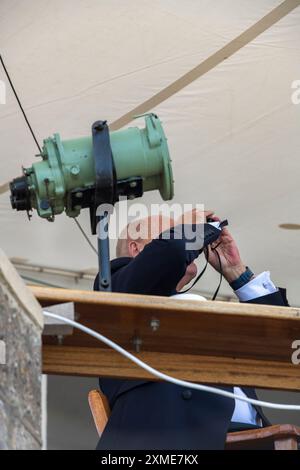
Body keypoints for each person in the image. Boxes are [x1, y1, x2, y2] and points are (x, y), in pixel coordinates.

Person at [94, 210, 288, 450]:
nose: (190, 241)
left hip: (250, 439)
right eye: (171, 232)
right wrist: (191, 228)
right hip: (168, 440)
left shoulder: (201, 311)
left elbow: (283, 346)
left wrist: (238, 273)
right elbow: (171, 253)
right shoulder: (115, 287)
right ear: (136, 249)